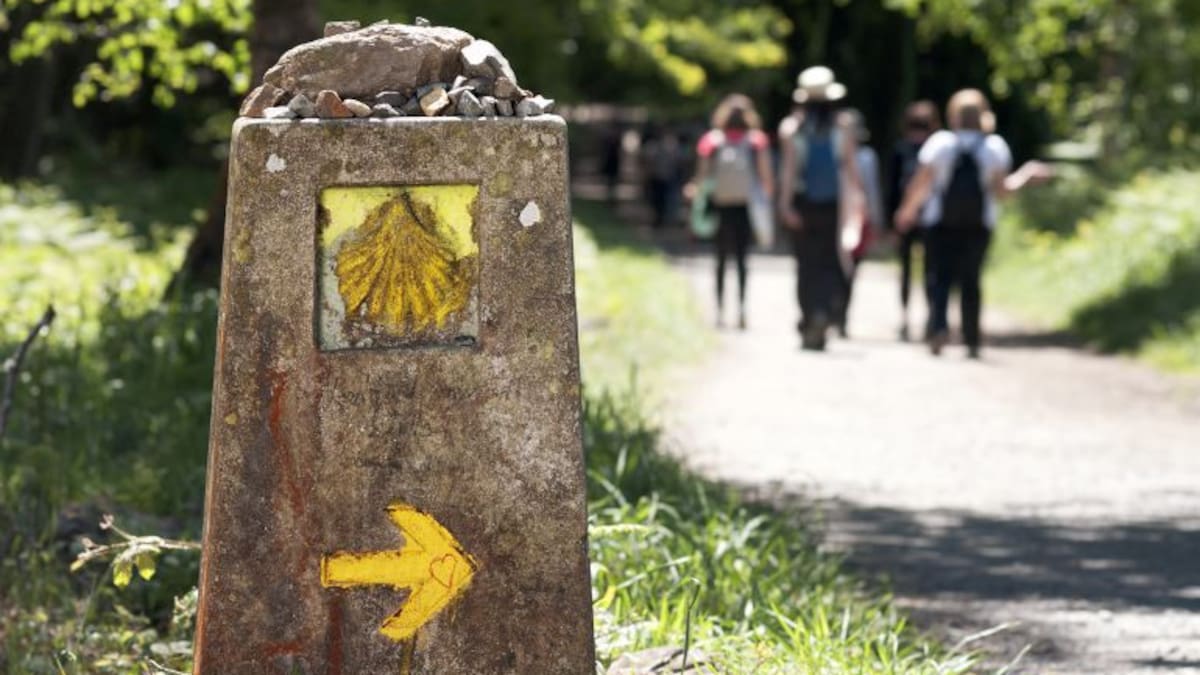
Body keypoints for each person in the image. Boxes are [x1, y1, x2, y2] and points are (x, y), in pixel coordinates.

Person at [895, 88, 1052, 358]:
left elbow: (921, 184)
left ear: (953, 116)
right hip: (979, 224)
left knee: (939, 277)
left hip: (939, 223)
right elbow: (1002, 192)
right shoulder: (994, 147)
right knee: (971, 280)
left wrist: (906, 212)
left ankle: (939, 327)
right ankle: (971, 338)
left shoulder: (940, 143)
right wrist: (1026, 175)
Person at [778, 66, 863, 350]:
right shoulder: (844, 127)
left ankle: (809, 316)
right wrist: (857, 206)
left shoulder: (791, 129)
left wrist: (785, 205)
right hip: (834, 205)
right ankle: (824, 312)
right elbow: (850, 170)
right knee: (829, 262)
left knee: (805, 265)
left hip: (804, 205)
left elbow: (789, 172)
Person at [691, 94, 774, 329]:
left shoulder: (712, 140)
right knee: (742, 260)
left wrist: (697, 200)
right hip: (745, 207)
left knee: (719, 260)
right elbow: (766, 178)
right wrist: (766, 205)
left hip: (720, 205)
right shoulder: (756, 141)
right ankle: (741, 310)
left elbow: (702, 177)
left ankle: (718, 311)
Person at [887, 101, 941, 341]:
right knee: (932, 271)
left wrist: (892, 220)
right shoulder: (937, 148)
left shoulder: (901, 149)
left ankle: (905, 318)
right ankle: (932, 319)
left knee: (906, 271)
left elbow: (891, 188)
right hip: (932, 217)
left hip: (904, 217)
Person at [835, 108, 883, 338]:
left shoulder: (862, 157)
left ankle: (840, 316)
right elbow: (871, 191)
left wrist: (874, 220)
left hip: (851, 219)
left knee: (847, 270)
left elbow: (871, 191)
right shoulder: (865, 157)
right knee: (842, 270)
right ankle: (838, 316)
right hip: (844, 218)